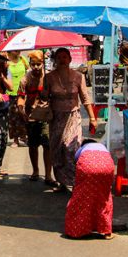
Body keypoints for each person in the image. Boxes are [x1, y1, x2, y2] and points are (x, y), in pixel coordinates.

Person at [45, 48, 97, 191]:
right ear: (55, 60)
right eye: (59, 57)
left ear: (70, 59)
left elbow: (85, 98)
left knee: (71, 148)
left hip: (73, 116)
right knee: (57, 150)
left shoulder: (78, 76)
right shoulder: (49, 77)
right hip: (56, 118)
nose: (62, 60)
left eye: (65, 57)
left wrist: (92, 118)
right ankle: (62, 182)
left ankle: (75, 182)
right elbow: (44, 97)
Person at [64, 139, 116, 239]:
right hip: (107, 167)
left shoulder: (82, 149)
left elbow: (76, 160)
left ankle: (77, 230)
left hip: (87, 167)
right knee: (104, 197)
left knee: (82, 197)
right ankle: (106, 231)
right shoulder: (103, 148)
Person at [22, 51, 53, 185]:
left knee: (47, 145)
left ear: (42, 64)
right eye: (33, 64)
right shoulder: (25, 79)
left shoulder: (49, 78)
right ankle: (35, 171)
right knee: (33, 145)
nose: (36, 67)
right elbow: (20, 97)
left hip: (46, 116)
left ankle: (48, 175)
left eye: (38, 64)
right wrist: (20, 110)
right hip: (31, 116)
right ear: (29, 64)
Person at [5, 50, 29, 147]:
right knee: (12, 117)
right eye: (16, 50)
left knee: (24, 114)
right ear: (10, 52)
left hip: (23, 92)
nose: (19, 51)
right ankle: (15, 140)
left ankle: (24, 137)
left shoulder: (23, 60)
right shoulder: (6, 63)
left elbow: (28, 71)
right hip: (9, 93)